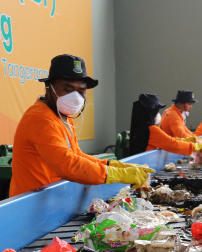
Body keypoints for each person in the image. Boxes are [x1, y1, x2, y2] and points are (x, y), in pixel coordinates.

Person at [10, 54, 153, 196]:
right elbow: (67, 164)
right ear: (48, 88)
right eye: (67, 89)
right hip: (30, 206)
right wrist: (117, 174)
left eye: (81, 91)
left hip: (49, 199)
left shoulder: (62, 116)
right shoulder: (40, 118)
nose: (75, 97)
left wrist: (114, 165)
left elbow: (77, 154)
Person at [129, 93, 202, 156]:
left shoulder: (139, 127)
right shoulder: (151, 129)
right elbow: (173, 144)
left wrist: (191, 139)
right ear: (151, 112)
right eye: (156, 110)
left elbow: (167, 140)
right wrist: (197, 147)